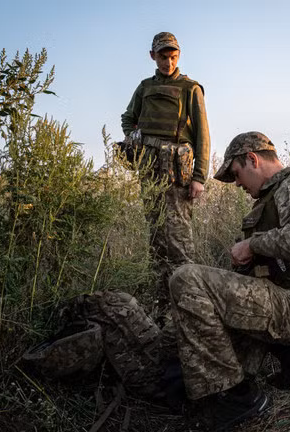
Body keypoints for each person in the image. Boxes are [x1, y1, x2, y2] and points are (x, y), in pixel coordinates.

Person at [168, 131, 290, 429]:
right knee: (185, 360)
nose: (238, 184)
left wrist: (252, 245)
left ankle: (240, 399)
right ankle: (286, 354)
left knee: (187, 279)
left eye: (237, 174)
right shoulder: (276, 195)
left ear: (252, 159)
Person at [121, 32, 211, 310]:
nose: (168, 62)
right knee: (156, 238)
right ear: (153, 56)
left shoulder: (190, 88)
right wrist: (133, 138)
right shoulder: (144, 87)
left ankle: (189, 304)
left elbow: (203, 137)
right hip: (149, 173)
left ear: (178, 56)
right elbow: (128, 118)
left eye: (172, 57)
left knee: (180, 242)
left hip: (178, 174)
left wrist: (199, 177)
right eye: (162, 57)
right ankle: (162, 304)